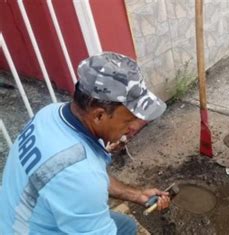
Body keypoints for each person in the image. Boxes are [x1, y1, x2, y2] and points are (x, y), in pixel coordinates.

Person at [0, 52, 170, 234]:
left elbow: (78, 176)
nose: (134, 127)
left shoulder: (49, 114)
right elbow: (81, 179)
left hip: (13, 218)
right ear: (99, 116)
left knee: (125, 226)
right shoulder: (81, 176)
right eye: (129, 120)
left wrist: (137, 194)